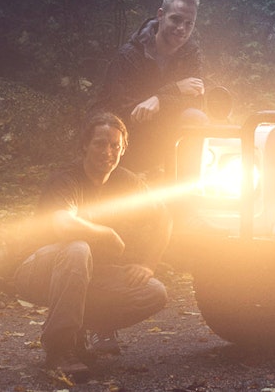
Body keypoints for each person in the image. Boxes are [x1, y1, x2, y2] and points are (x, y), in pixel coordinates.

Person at [13, 112, 172, 380]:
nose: (107, 151)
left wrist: (148, 263)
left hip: (85, 276)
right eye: (100, 143)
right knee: (78, 248)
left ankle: (80, 331)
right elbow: (63, 224)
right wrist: (105, 234)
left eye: (114, 145)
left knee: (154, 292)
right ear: (85, 145)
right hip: (38, 270)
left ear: (123, 149)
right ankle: (59, 349)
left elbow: (164, 217)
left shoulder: (127, 181)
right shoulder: (66, 179)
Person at [94, 0, 207, 180]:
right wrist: (175, 90)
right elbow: (125, 108)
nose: (182, 28)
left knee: (196, 117)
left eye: (189, 24)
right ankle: (127, 179)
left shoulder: (191, 54)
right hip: (130, 136)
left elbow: (197, 102)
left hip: (169, 131)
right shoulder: (129, 55)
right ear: (161, 15)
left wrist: (160, 99)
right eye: (176, 19)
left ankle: (185, 190)